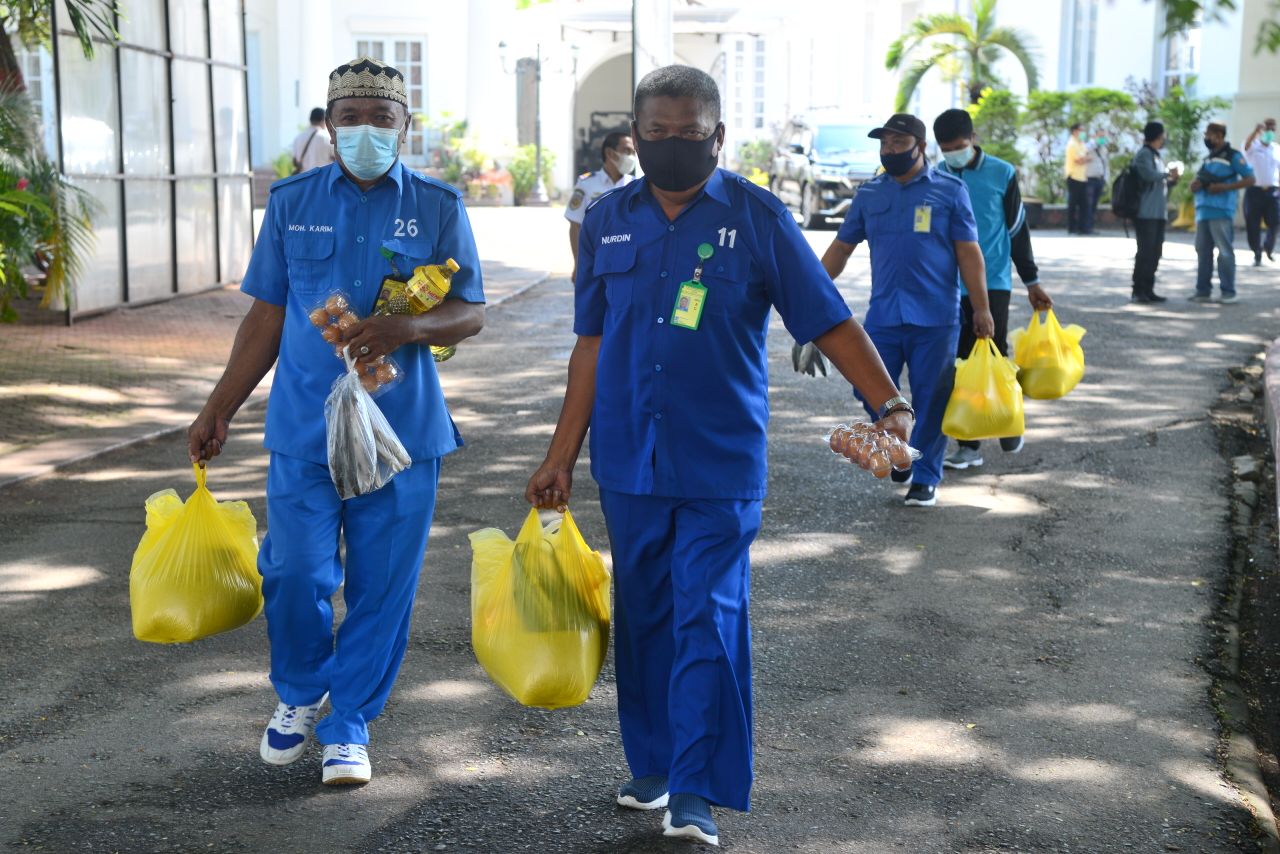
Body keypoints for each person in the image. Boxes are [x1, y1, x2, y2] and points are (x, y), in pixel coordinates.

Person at [526, 65, 912, 847]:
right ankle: (658, 764)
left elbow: (828, 322)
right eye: (657, 134)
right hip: (630, 455)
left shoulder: (760, 218)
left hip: (720, 458)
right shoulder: (607, 220)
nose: (673, 146)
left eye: (690, 133)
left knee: (707, 611)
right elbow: (591, 345)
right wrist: (560, 454)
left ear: (719, 135)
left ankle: (697, 787)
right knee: (646, 617)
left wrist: (890, 404)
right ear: (636, 136)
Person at [186, 57, 486, 787]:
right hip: (303, 429)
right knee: (294, 573)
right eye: (349, 117)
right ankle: (299, 691)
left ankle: (349, 722)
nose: (364, 131)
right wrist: (218, 406)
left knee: (382, 588)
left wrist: (406, 329)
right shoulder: (290, 202)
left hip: (402, 432)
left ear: (404, 126)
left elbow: (469, 311)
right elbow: (266, 314)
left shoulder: (440, 205)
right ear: (329, 123)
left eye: (381, 118)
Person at [821, 112, 994, 507]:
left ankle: (926, 476)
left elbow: (969, 254)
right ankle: (901, 444)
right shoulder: (870, 194)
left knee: (933, 397)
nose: (890, 150)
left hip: (936, 317)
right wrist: (807, 295)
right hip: (884, 315)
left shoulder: (950, 192)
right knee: (868, 387)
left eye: (898, 143)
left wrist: (981, 308)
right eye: (885, 143)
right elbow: (841, 249)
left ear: (920, 147)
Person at [932, 109, 1052, 472]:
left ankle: (1009, 418)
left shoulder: (1002, 173)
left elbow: (1017, 231)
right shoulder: (936, 176)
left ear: (972, 138)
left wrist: (1032, 282)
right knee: (960, 363)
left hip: (993, 281)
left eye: (958, 146)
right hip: (948, 285)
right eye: (945, 148)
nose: (953, 153)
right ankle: (969, 444)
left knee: (995, 355)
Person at [1190, 122, 1255, 304]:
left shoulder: (1233, 156)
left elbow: (1250, 179)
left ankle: (1228, 291)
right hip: (1203, 210)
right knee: (1203, 251)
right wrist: (1195, 185)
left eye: (1209, 134)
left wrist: (1225, 187)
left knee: (1224, 252)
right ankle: (1202, 291)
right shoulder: (1208, 159)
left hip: (1221, 211)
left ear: (1219, 135)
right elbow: (1199, 181)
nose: (1206, 138)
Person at [565, 131, 637, 274]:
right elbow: (575, 225)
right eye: (626, 151)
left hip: (628, 262)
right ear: (610, 153)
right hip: (595, 260)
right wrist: (578, 264)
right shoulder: (587, 183)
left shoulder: (635, 186)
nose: (631, 157)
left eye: (633, 152)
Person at [1130, 121, 1181, 304]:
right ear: (1157, 136)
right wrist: (1167, 174)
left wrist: (1171, 179)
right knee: (1145, 252)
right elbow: (1148, 176)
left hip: (1158, 212)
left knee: (1155, 252)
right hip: (1145, 212)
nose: (1164, 139)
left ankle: (1149, 288)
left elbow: (1160, 182)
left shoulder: (1156, 156)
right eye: (1162, 135)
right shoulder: (1144, 154)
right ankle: (1138, 289)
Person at [1243, 118, 1280, 266]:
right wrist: (1255, 132)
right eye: (1267, 129)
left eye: (1273, 129)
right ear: (1262, 131)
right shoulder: (1253, 145)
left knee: (1275, 221)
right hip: (1255, 191)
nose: (1270, 132)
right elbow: (1245, 148)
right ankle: (1256, 252)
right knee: (1253, 224)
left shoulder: (1276, 148)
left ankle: (1268, 248)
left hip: (1273, 191)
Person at [1065, 123, 1093, 234]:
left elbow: (1085, 154)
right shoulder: (1072, 144)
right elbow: (1078, 160)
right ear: (1075, 131)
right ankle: (1071, 227)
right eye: (1081, 130)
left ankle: (1083, 228)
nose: (1083, 133)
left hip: (1082, 177)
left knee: (1084, 204)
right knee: (1073, 204)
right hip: (1074, 177)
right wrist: (1087, 159)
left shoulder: (1081, 143)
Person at [291, 107, 335, 173]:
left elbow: (294, 161)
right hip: (323, 179)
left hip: (304, 180)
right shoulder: (327, 137)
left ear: (310, 120)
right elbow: (336, 159)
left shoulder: (298, 138)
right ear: (324, 120)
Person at [1083, 131, 1108, 235]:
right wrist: (1094, 142)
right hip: (1089, 179)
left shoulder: (1103, 149)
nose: (1102, 138)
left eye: (1104, 136)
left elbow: (1105, 164)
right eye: (1101, 136)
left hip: (1100, 179)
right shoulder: (1089, 145)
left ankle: (1091, 227)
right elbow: (1084, 150)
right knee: (1088, 205)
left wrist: (1105, 178)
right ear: (1096, 136)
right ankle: (1086, 228)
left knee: (1094, 206)